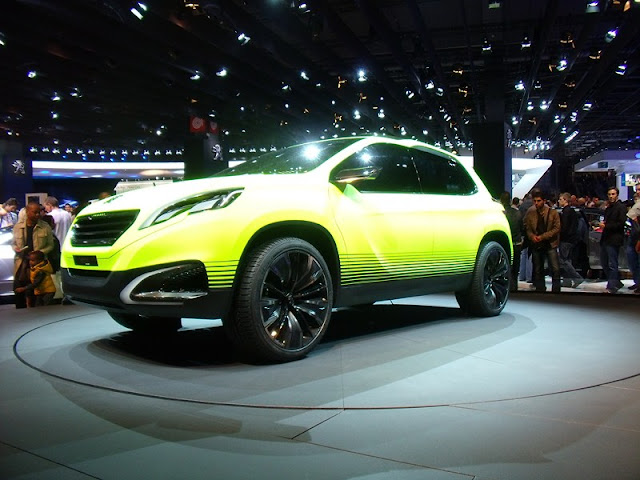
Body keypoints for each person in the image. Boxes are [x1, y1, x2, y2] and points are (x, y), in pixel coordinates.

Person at [12, 202, 55, 308]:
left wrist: (40, 253)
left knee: (36, 292)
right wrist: (15, 249)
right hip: (21, 263)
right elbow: (13, 243)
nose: (37, 215)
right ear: (27, 212)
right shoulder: (18, 227)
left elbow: (51, 245)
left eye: (39, 212)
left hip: (38, 264)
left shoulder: (45, 227)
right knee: (19, 290)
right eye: (34, 212)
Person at [524, 188, 561, 292]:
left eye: (539, 201)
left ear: (544, 201)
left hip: (550, 244)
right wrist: (532, 237)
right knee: (537, 269)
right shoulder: (531, 212)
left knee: (555, 268)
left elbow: (557, 228)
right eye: (535, 201)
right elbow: (527, 227)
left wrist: (543, 236)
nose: (536, 203)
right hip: (536, 244)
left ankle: (556, 290)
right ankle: (540, 289)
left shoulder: (552, 212)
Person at [599, 187, 627, 294]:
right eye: (609, 194)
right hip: (606, 239)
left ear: (617, 195)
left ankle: (612, 285)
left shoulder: (621, 207)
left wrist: (606, 226)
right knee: (604, 263)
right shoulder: (609, 208)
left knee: (612, 264)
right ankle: (616, 282)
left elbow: (620, 224)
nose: (611, 196)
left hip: (614, 239)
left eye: (613, 194)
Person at [558, 192, 584, 288]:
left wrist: (560, 235)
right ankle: (567, 281)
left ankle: (577, 278)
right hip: (571, 239)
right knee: (567, 260)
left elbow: (564, 227)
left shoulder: (566, 211)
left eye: (560, 199)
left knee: (563, 260)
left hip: (566, 239)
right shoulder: (572, 211)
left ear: (565, 200)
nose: (559, 201)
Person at [500, 191, 523, 292]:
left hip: (504, 245)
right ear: (510, 200)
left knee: (504, 268)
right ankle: (514, 288)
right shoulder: (517, 213)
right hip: (516, 243)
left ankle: (504, 288)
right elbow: (521, 228)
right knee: (515, 268)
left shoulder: (500, 214)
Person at [625, 192, 640, 294]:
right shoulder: (634, 204)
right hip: (632, 237)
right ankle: (637, 282)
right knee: (632, 262)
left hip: (638, 238)